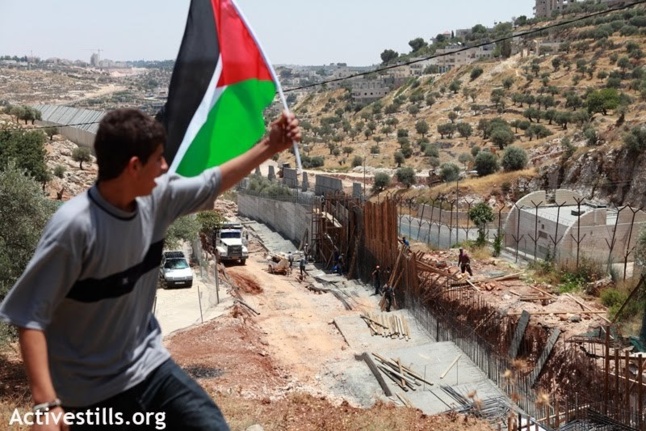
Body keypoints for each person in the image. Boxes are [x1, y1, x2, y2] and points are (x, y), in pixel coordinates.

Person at [0, 108, 300, 431]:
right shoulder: (74, 228)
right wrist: (46, 405)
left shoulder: (158, 198)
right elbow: (28, 315)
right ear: (133, 167)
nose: (166, 167)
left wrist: (270, 145)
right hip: (88, 396)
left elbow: (213, 182)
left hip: (149, 368)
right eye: (158, 159)